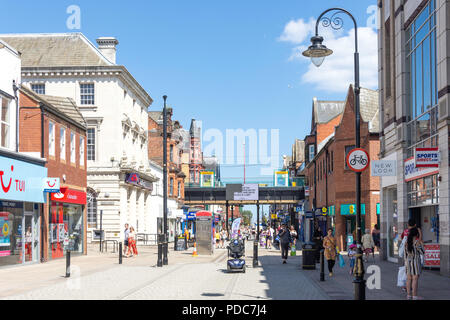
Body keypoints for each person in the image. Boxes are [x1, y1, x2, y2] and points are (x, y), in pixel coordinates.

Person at [404, 228, 424, 300]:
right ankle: (415, 296)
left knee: (408, 279)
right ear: (417, 235)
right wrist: (421, 240)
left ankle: (408, 295)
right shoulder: (417, 243)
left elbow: (405, 255)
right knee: (415, 279)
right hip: (415, 263)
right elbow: (422, 252)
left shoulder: (406, 242)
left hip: (408, 262)